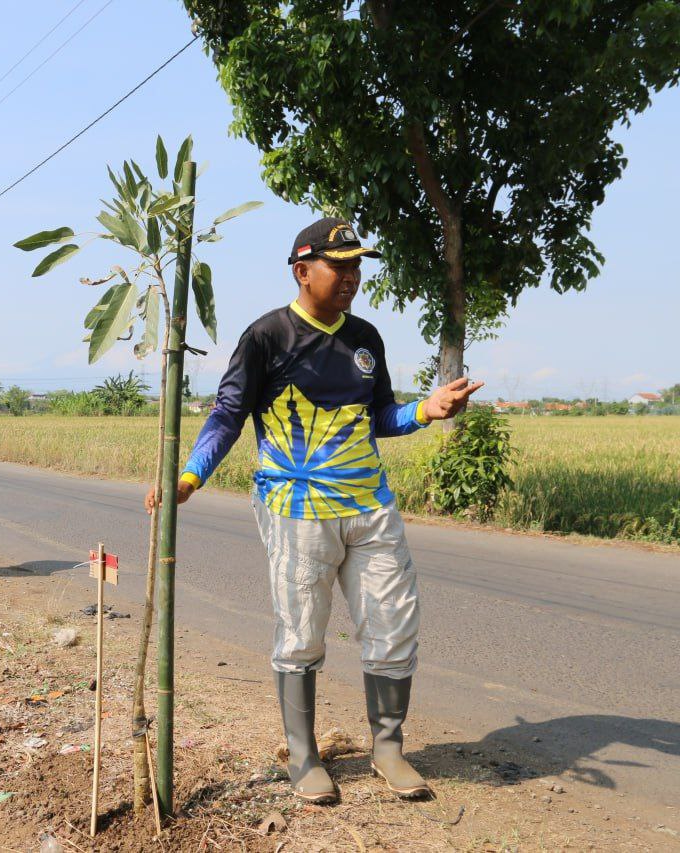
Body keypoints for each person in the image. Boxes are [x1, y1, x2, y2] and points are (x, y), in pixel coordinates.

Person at [146, 218, 482, 805]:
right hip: (296, 510)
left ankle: (388, 750)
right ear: (302, 271)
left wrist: (424, 411)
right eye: (339, 265)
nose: (351, 277)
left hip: (371, 507)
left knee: (394, 626)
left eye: (357, 267)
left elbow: (381, 417)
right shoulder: (266, 337)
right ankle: (304, 758)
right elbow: (227, 415)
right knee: (301, 633)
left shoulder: (366, 338)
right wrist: (191, 475)